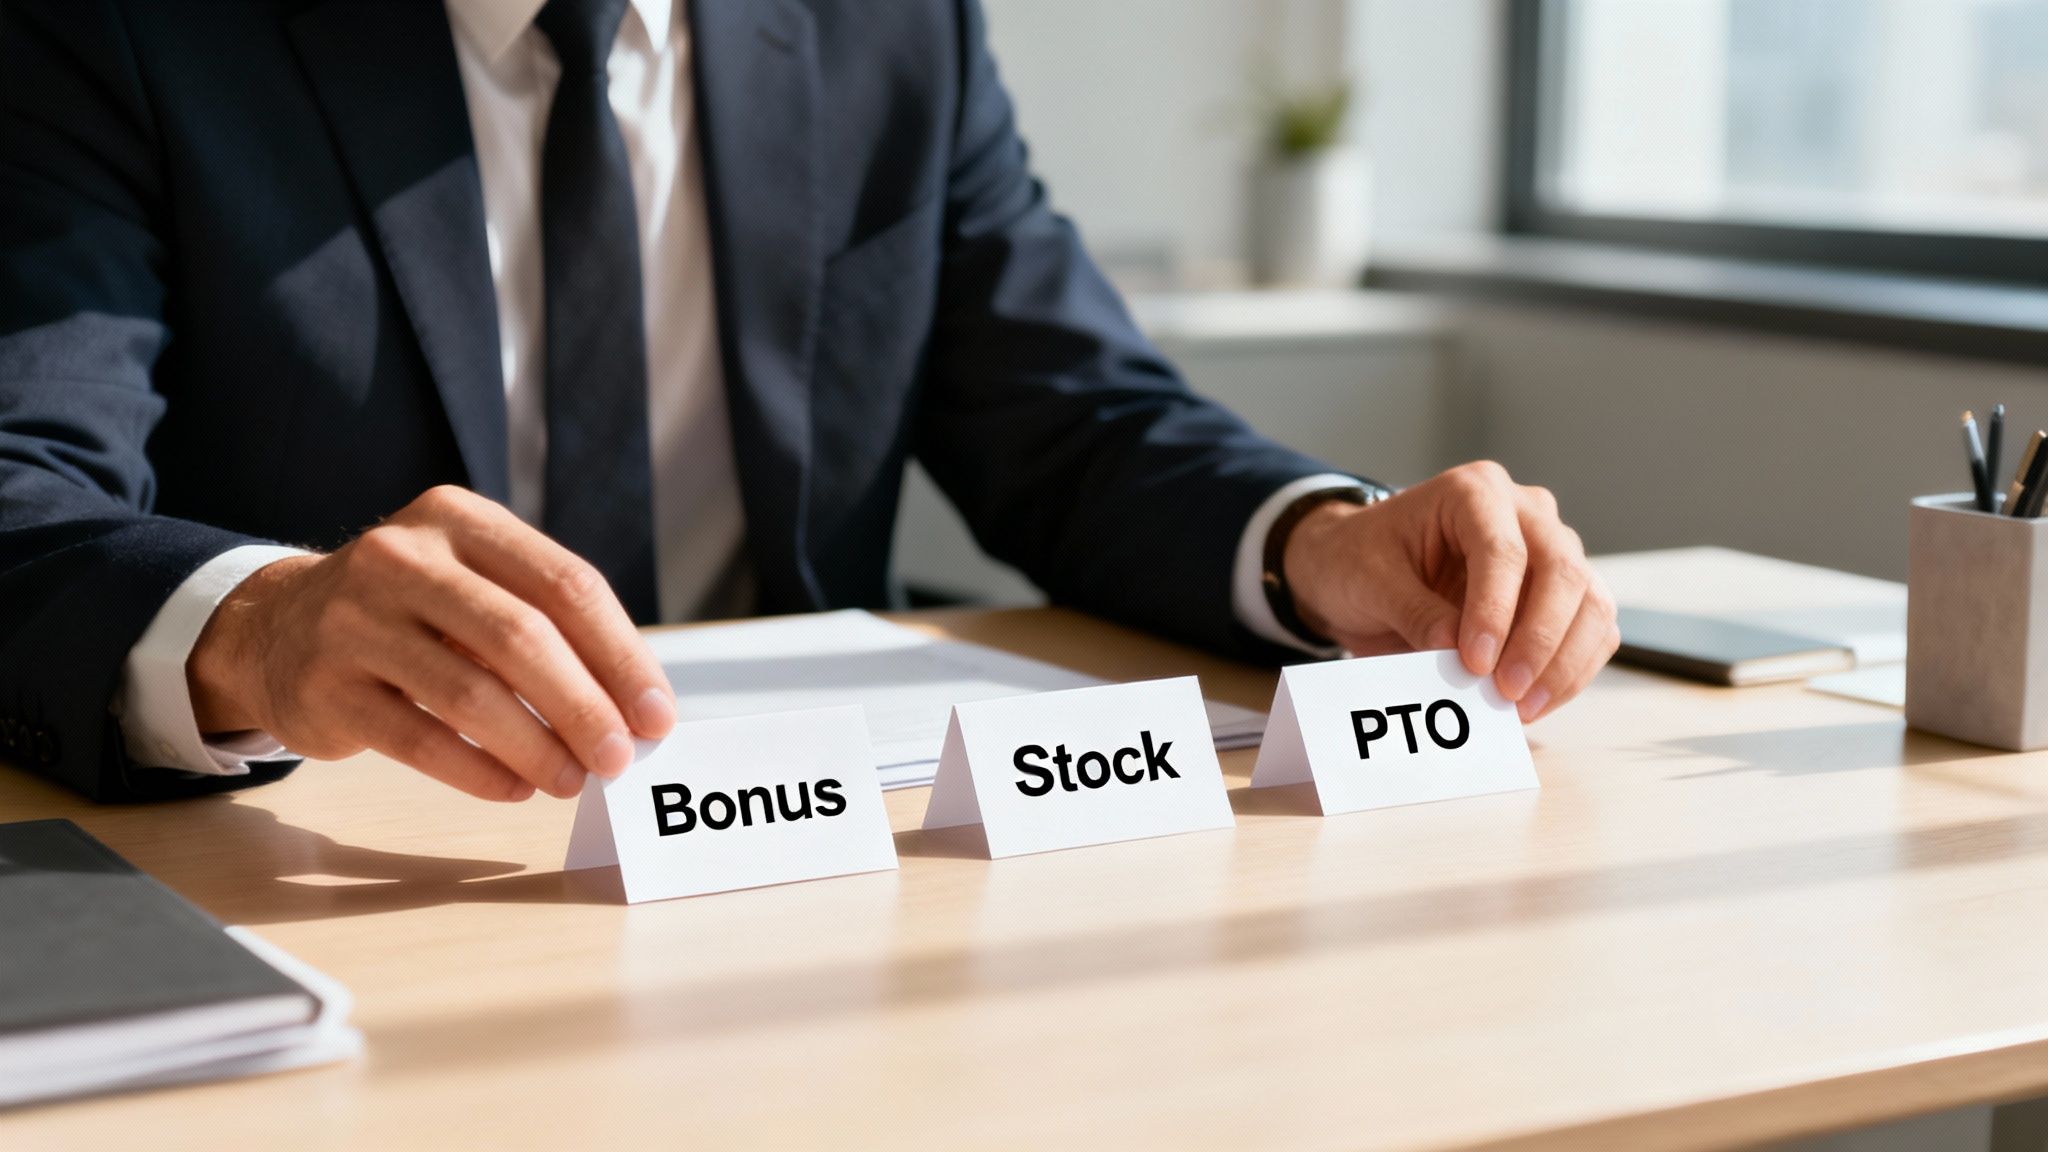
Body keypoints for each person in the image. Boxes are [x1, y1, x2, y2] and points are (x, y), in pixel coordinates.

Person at [0, 0, 1617, 804]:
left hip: (826, 840)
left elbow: (1070, 412)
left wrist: (1317, 542)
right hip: (372, 852)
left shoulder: (886, 25)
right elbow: (23, 494)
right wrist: (261, 625)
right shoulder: (119, 30)